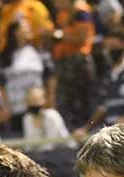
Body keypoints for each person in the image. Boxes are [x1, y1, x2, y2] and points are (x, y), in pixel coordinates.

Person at [72, 35, 124, 139]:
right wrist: (85, 129)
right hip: (111, 136)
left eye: (113, 47)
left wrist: (121, 124)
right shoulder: (105, 77)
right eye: (106, 48)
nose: (109, 51)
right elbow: (102, 108)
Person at [0, 21, 56, 135]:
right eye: (25, 28)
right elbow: (0, 84)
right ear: (15, 32)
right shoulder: (5, 56)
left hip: (37, 106)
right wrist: (5, 106)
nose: (29, 30)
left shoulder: (39, 52)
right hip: (15, 108)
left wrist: (50, 99)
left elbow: (51, 76)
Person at [51, 0, 96, 129]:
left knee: (81, 100)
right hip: (65, 59)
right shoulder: (62, 13)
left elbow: (82, 38)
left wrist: (58, 36)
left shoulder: (81, 12)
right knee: (67, 101)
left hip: (79, 59)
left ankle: (85, 129)